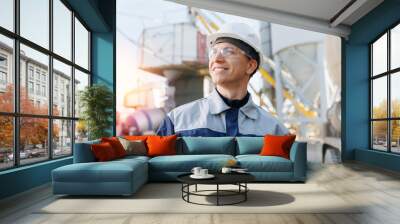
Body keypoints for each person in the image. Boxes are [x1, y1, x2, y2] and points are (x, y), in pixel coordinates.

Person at [157, 22, 288, 137]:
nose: (216, 59)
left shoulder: (275, 130)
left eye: (228, 51)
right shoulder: (176, 121)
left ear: (250, 66)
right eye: (213, 52)